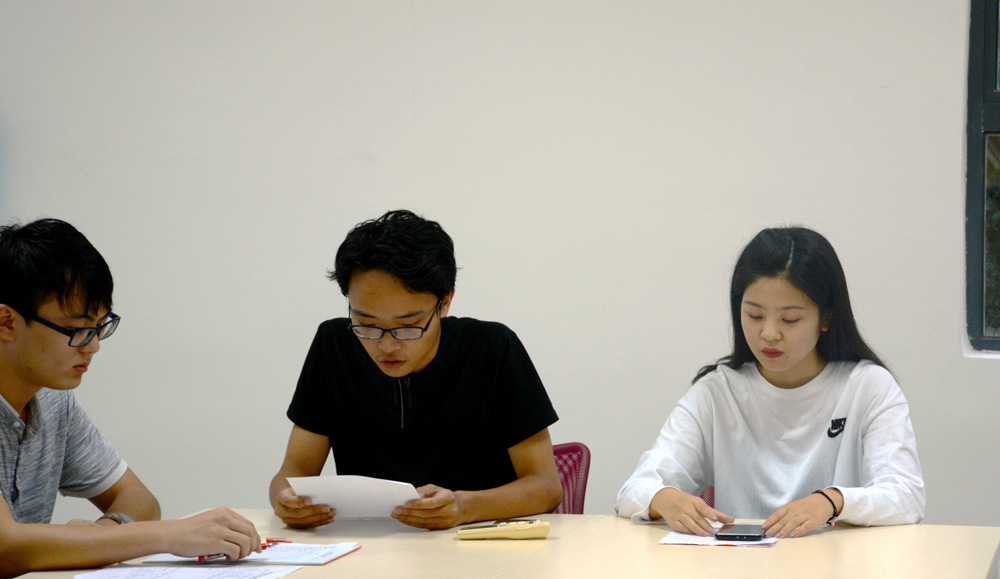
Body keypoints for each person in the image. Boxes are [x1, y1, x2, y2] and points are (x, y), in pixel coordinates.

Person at [615, 226, 925, 539]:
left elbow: (906, 497)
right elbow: (633, 490)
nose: (769, 334)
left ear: (826, 318)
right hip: (739, 561)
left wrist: (832, 501)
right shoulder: (717, 392)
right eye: (754, 315)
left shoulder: (868, 386)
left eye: (790, 319)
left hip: (838, 560)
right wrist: (662, 498)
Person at [269, 209, 562, 530]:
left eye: (407, 326)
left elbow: (546, 487)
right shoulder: (333, 346)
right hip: (370, 545)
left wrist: (463, 508)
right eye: (366, 324)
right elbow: (293, 471)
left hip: (476, 539)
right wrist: (285, 500)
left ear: (445, 303)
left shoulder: (492, 348)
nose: (387, 345)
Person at [0, 218, 261, 577]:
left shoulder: (54, 402)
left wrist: (106, 532)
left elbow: (139, 500)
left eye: (99, 327)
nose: (93, 346)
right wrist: (169, 535)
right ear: (7, 322)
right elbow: (6, 547)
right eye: (76, 329)